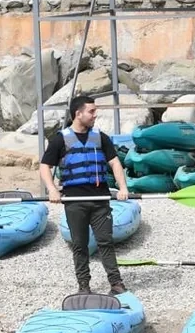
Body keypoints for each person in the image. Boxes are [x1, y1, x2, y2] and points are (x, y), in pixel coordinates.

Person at [39, 94, 131, 296]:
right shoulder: (60, 139)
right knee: (79, 245)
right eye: (91, 111)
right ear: (78, 114)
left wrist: (123, 188)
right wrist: (52, 189)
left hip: (100, 200)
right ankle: (84, 286)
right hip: (75, 202)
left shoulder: (100, 137)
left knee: (105, 242)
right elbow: (45, 166)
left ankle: (116, 283)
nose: (95, 115)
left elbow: (115, 162)